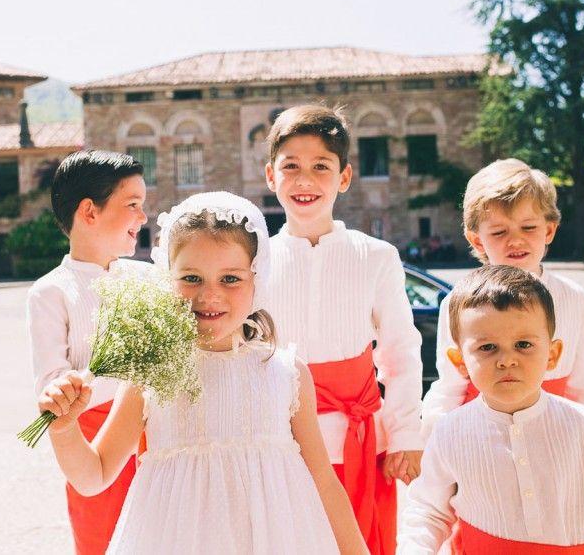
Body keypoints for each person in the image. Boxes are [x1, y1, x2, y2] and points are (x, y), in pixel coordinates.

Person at [40, 192, 368, 554]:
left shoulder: (287, 375)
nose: (209, 296)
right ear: (168, 279)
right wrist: (65, 429)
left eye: (230, 279)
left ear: (257, 279)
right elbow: (94, 475)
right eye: (192, 278)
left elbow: (323, 481)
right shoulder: (152, 374)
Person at [399, 265, 584, 553]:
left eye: (523, 344)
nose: (507, 360)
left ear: (553, 354)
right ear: (460, 362)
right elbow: (427, 511)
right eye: (487, 348)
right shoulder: (450, 430)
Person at [264, 105, 424, 554]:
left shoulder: (376, 255)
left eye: (321, 167)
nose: (305, 180)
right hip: (282, 443)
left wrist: (406, 434)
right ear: (271, 176)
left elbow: (399, 350)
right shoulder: (257, 263)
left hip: (359, 440)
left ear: (345, 176)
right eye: (290, 166)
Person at [422, 158, 584, 438]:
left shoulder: (574, 299)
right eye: (499, 232)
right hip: (480, 438)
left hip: (555, 437)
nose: (516, 240)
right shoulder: (458, 303)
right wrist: (432, 441)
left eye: (528, 228)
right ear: (477, 240)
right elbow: (450, 385)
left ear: (549, 230)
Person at [27, 149, 150, 555]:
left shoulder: (150, 278)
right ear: (89, 211)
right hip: (92, 447)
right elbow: (51, 379)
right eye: (132, 205)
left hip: (159, 442)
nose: (143, 217)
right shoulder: (51, 291)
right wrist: (63, 391)